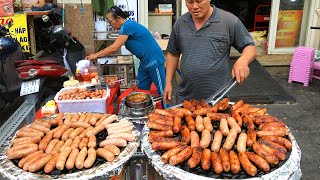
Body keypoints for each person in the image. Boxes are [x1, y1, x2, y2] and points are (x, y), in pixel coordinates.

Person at [163, 0, 256, 104]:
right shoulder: (180, 23)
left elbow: (249, 46)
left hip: (217, 101)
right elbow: (173, 53)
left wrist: (243, 61)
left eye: (199, 1)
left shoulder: (229, 21)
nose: (194, 6)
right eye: (189, 2)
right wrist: (168, 83)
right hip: (185, 100)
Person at [86, 6, 168, 107]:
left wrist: (95, 55)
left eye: (110, 21)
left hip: (154, 60)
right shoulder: (124, 28)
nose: (110, 24)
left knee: (163, 91)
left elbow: (114, 48)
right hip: (144, 62)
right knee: (141, 90)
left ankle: (169, 112)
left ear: (119, 18)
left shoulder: (127, 26)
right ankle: (144, 112)